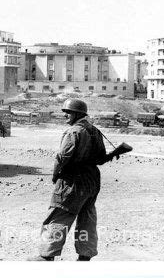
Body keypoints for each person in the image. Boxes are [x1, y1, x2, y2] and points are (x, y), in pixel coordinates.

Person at [34, 98, 119, 261]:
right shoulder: (95, 131)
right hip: (92, 181)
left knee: (59, 216)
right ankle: (85, 255)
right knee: (87, 217)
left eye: (68, 113)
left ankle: (47, 255)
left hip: (72, 181)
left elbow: (62, 158)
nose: (65, 115)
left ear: (77, 114)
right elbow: (101, 159)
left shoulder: (74, 132)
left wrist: (55, 176)